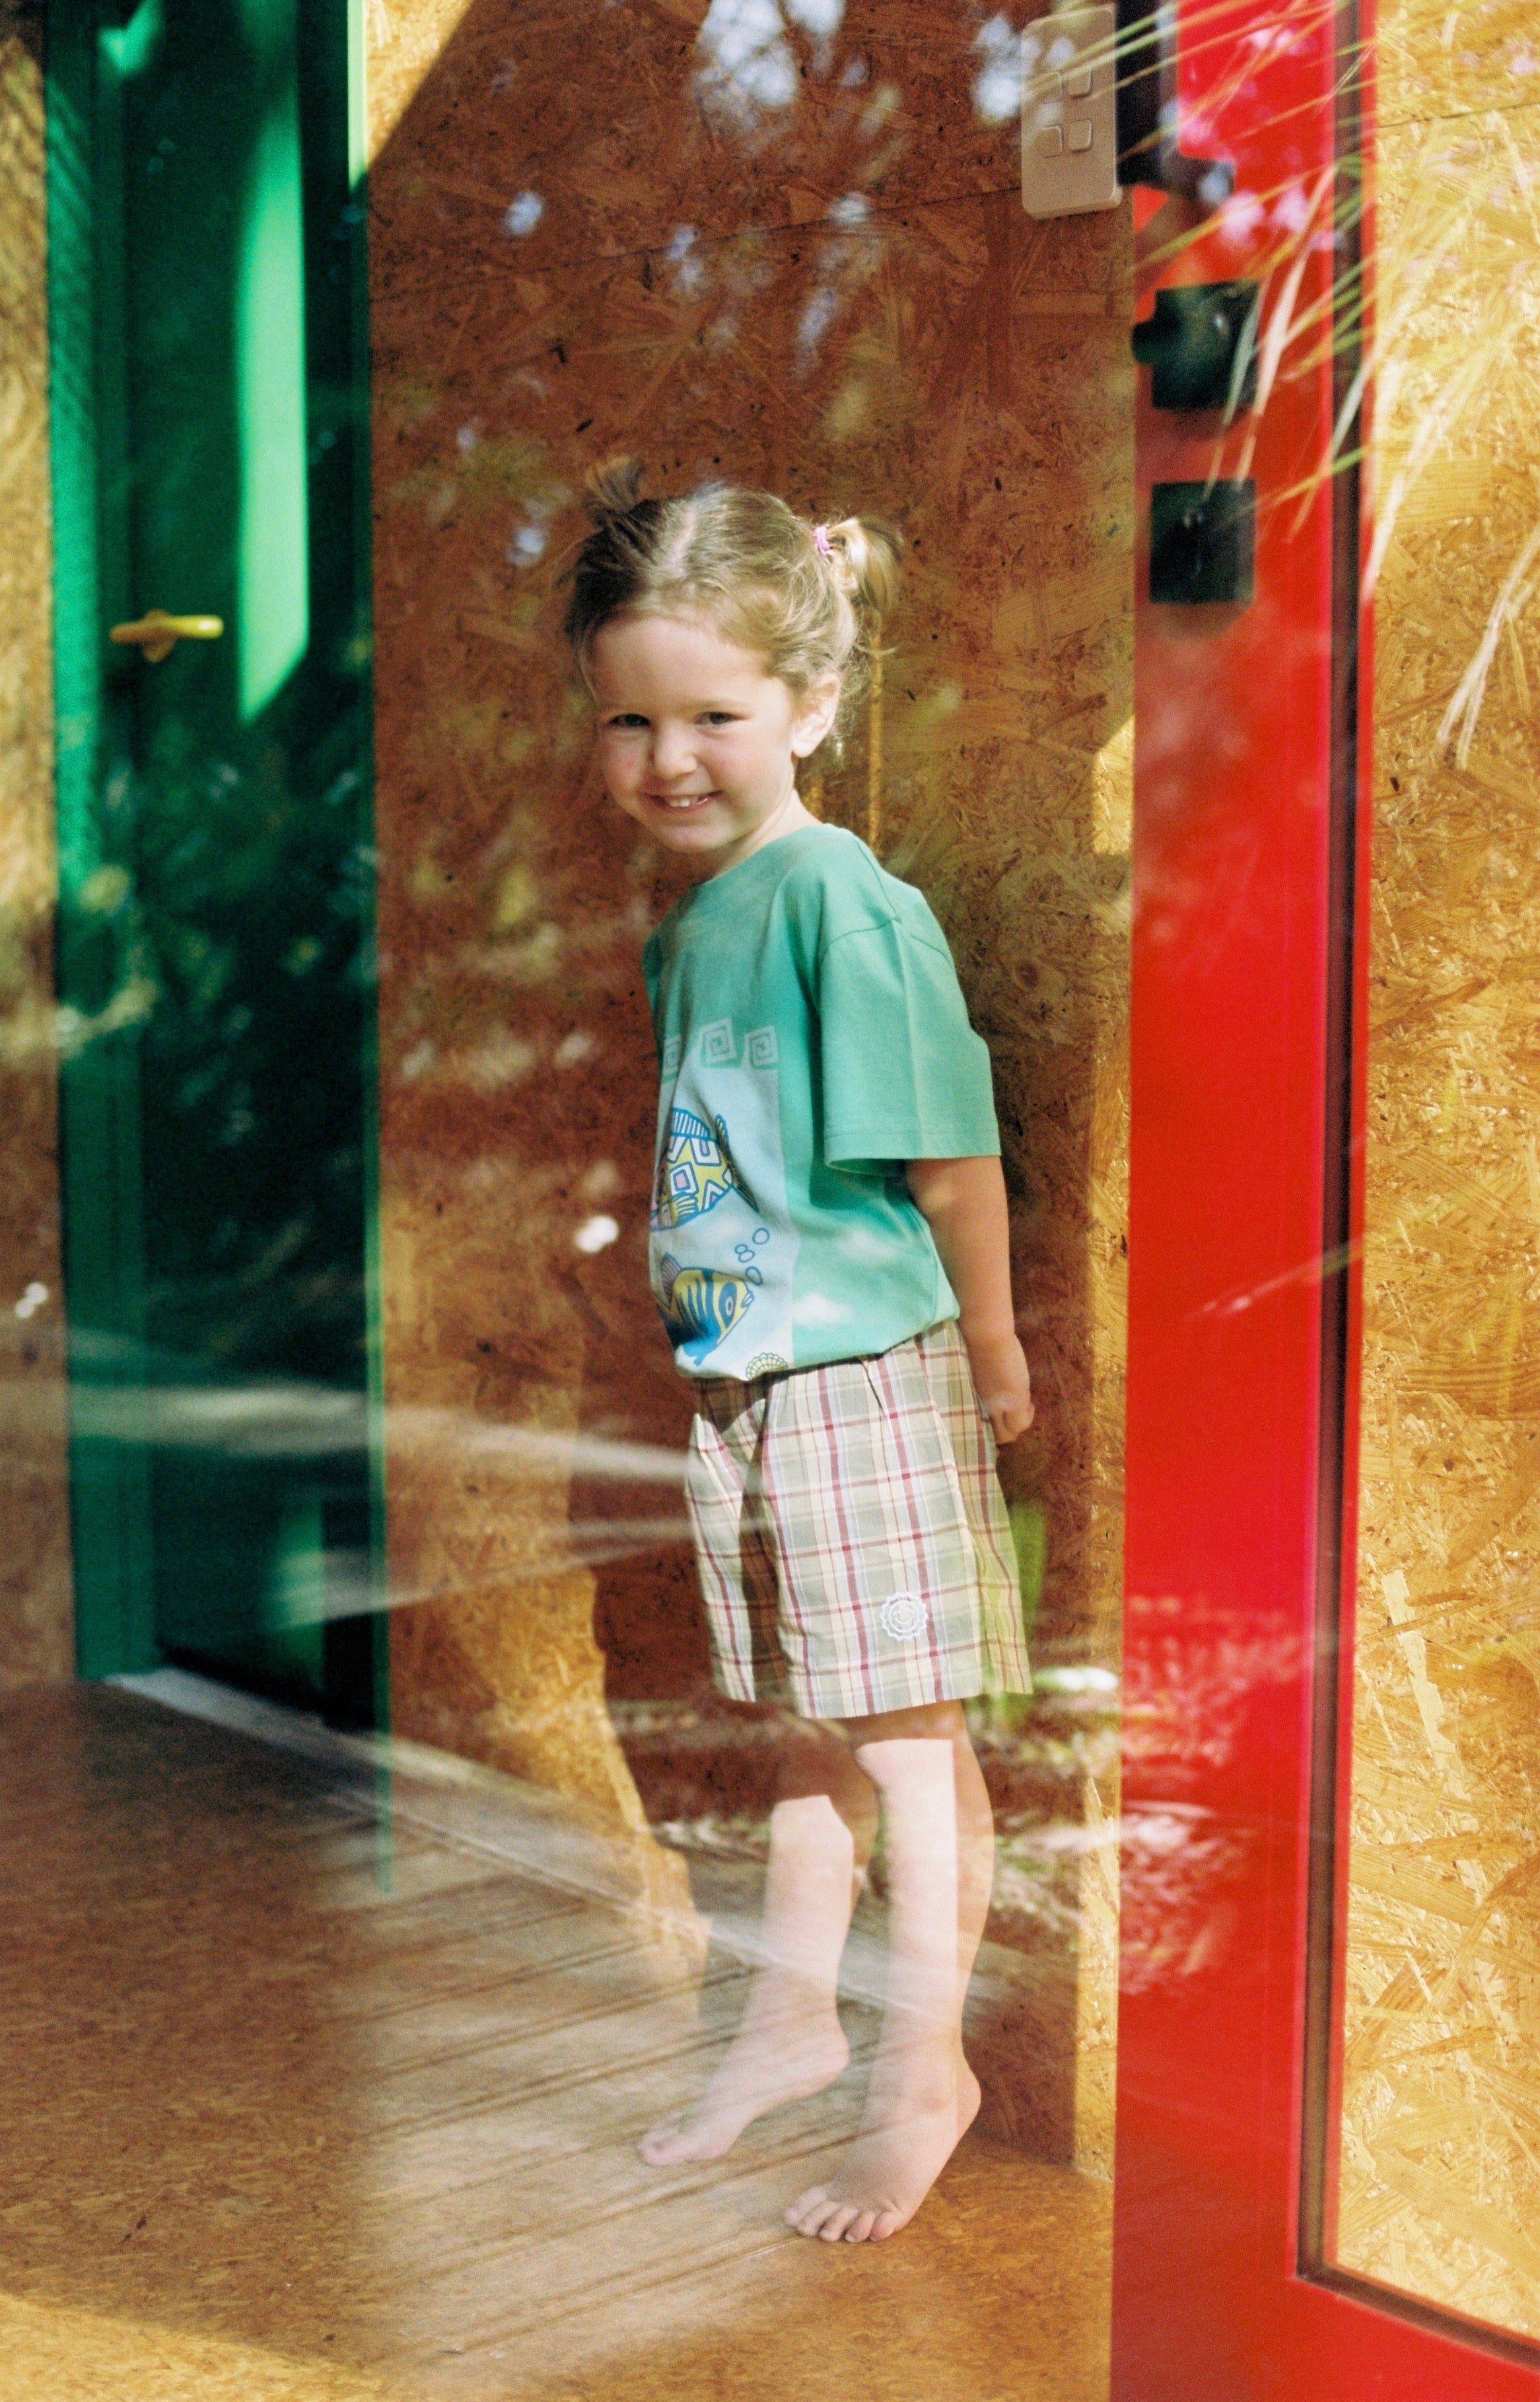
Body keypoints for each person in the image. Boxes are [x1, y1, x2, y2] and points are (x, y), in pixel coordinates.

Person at [563, 459, 1035, 2245]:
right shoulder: (703, 918)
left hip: (861, 1379)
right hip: (748, 1387)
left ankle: (923, 2074)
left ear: (811, 707)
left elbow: (949, 1158)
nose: (668, 757)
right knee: (807, 1731)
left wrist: (992, 1343)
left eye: (714, 716)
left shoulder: (844, 900)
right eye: (631, 719)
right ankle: (788, 2024)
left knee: (907, 1743)